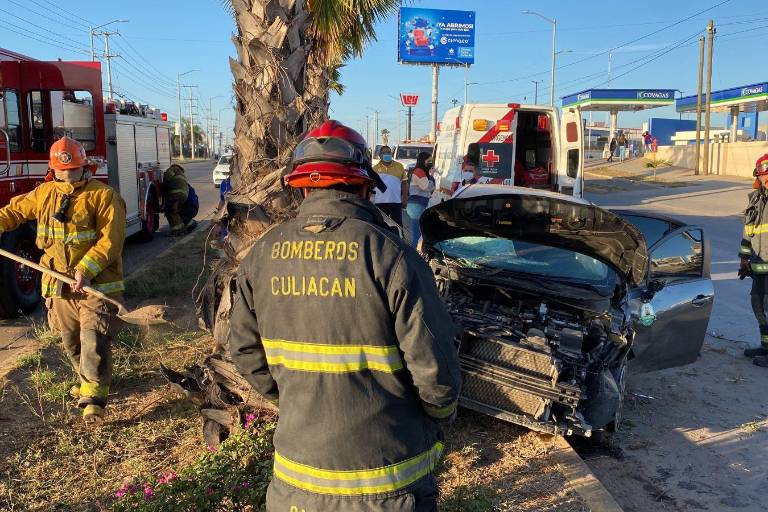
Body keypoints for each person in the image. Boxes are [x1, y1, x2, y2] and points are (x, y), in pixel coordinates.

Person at [229, 120, 462, 511]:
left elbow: (247, 355)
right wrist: (439, 417)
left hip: (295, 483)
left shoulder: (261, 256)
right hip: (389, 486)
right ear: (365, 186)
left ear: (300, 187)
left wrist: (298, 400)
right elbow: (434, 370)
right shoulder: (392, 256)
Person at [0, 137, 126, 422]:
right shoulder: (43, 194)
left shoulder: (103, 196)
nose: (67, 176)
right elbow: (14, 211)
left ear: (84, 168)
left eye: (72, 171)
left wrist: (85, 269)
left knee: (93, 337)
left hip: (96, 285)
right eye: (61, 171)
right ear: (52, 169)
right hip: (58, 286)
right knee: (71, 341)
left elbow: (111, 240)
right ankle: (86, 379)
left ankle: (94, 398)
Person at [741, 154, 768, 367]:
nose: (766, 178)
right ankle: (765, 346)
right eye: (764, 175)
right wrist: (744, 259)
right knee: (757, 304)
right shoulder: (756, 199)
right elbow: (748, 232)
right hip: (758, 265)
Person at [372, 145, 407, 226]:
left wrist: (405, 198)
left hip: (396, 203)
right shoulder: (374, 169)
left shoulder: (399, 166)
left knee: (398, 227)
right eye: (384, 153)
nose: (387, 154)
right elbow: (370, 185)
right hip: (380, 203)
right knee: (380, 226)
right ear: (380, 155)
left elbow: (404, 183)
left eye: (389, 152)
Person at [406, 151, 435, 248]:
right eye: (429, 161)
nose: (430, 163)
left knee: (419, 233)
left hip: (419, 204)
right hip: (416, 205)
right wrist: (431, 175)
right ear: (423, 161)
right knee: (417, 234)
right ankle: (413, 256)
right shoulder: (419, 171)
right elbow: (427, 186)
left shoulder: (422, 172)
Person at [162, 164, 199, 236]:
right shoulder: (182, 175)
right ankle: (187, 226)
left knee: (170, 211)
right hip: (185, 196)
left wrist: (164, 186)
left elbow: (167, 176)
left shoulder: (174, 169)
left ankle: (178, 231)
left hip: (175, 193)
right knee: (176, 211)